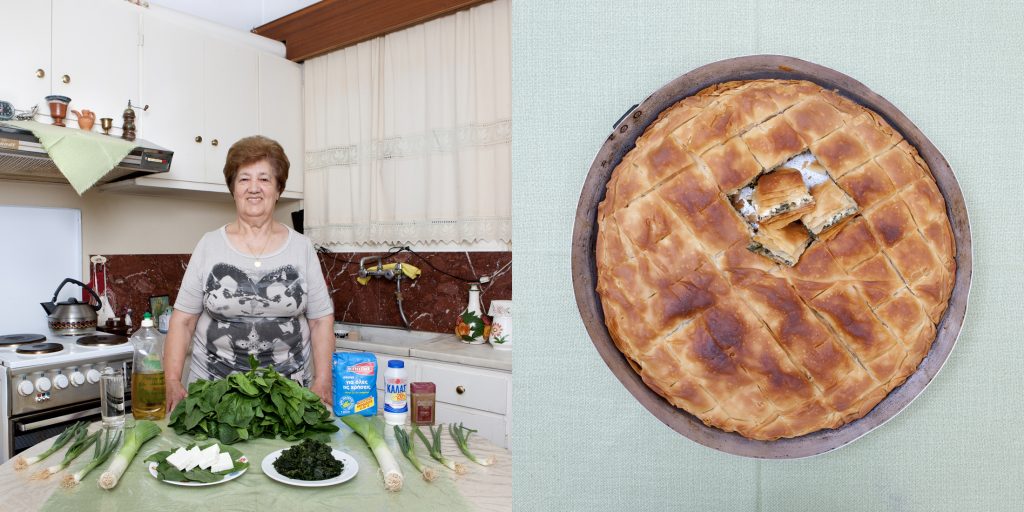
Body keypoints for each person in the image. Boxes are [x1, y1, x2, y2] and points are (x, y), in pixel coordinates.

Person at [164, 135, 334, 414]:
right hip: (213, 397)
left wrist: (323, 380)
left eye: (264, 179)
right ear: (233, 189)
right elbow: (183, 321)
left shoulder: (302, 248)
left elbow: (320, 321)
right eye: (244, 179)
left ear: (278, 189)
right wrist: (172, 380)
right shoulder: (209, 245)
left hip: (288, 399)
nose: (254, 188)